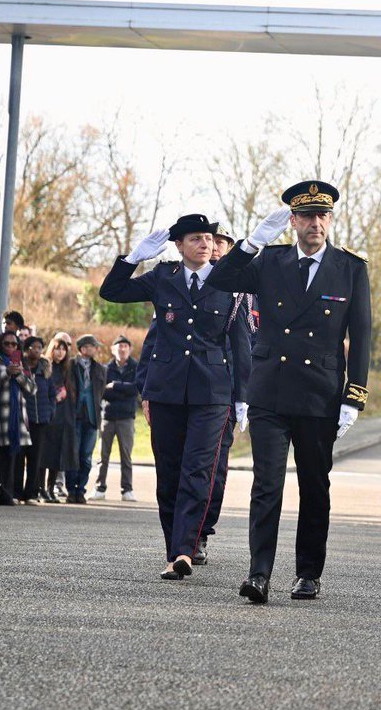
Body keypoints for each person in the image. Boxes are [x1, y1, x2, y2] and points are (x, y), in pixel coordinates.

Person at [208, 181, 369, 603]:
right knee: (267, 485)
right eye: (307, 216)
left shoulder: (351, 268)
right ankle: (258, 573)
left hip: (320, 394)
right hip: (271, 392)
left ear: (330, 220)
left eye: (323, 216)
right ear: (293, 222)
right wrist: (252, 242)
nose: (315, 223)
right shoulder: (270, 261)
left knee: (315, 486)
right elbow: (220, 279)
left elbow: (363, 338)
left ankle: (308, 574)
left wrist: (354, 396)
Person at [101, 213, 250, 581]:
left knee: (197, 471)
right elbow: (112, 292)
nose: (205, 243)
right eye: (196, 238)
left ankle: (184, 550)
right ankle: (175, 548)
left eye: (208, 238)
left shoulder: (227, 280)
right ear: (179, 245)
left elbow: (240, 342)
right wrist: (133, 258)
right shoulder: (162, 278)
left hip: (213, 392)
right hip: (166, 388)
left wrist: (242, 396)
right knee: (169, 475)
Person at [0, 330, 35, 506]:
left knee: (11, 458)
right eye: (7, 343)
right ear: (0, 344)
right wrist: (7, 373)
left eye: (14, 344)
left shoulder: (23, 364)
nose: (11, 347)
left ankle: (7, 493)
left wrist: (18, 374)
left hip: (17, 419)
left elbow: (32, 389)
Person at [91, 335, 138, 502]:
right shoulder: (106, 368)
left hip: (127, 418)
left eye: (125, 346)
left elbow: (136, 389)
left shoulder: (135, 367)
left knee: (126, 456)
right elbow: (102, 391)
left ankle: (127, 490)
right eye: (119, 346)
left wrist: (116, 386)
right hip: (108, 417)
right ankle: (99, 488)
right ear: (113, 349)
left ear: (130, 349)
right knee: (103, 456)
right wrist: (122, 391)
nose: (122, 349)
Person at [63, 335, 106, 504]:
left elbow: (100, 391)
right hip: (73, 416)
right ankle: (70, 490)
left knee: (86, 457)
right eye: (93, 346)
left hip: (91, 417)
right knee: (72, 454)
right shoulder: (70, 365)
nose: (96, 349)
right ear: (83, 348)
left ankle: (80, 489)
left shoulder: (100, 369)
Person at [39, 337, 79, 504]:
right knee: (44, 455)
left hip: (64, 417)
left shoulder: (68, 369)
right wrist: (55, 396)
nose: (60, 352)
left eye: (63, 349)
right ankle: (40, 488)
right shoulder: (45, 365)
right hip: (48, 416)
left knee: (58, 456)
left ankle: (50, 488)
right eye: (57, 348)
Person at [16, 336, 52, 504]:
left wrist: (50, 412)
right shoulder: (21, 368)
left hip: (41, 420)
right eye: (33, 347)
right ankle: (16, 492)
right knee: (19, 457)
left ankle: (30, 493)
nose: (36, 350)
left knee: (35, 459)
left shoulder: (45, 369)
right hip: (23, 419)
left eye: (39, 347)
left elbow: (52, 393)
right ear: (26, 349)